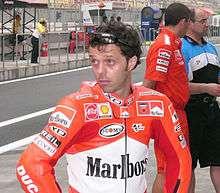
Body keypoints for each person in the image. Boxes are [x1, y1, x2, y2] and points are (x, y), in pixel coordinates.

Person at [16, 22, 191, 193]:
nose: (100, 71)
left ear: (131, 62)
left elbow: (180, 160)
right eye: (94, 61)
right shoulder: (77, 106)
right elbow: (31, 163)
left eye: (109, 62)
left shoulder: (157, 104)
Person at [143, 3, 192, 193]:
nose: (189, 26)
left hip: (176, 113)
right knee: (167, 168)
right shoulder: (164, 45)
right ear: (183, 21)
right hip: (169, 116)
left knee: (177, 166)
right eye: (189, 22)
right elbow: (149, 85)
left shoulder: (173, 43)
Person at [181, 8, 220, 193]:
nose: (207, 25)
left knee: (218, 159)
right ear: (189, 22)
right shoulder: (181, 48)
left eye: (208, 20)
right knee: (189, 163)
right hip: (192, 111)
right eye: (203, 21)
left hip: (213, 110)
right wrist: (206, 88)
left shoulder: (211, 48)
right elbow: (178, 86)